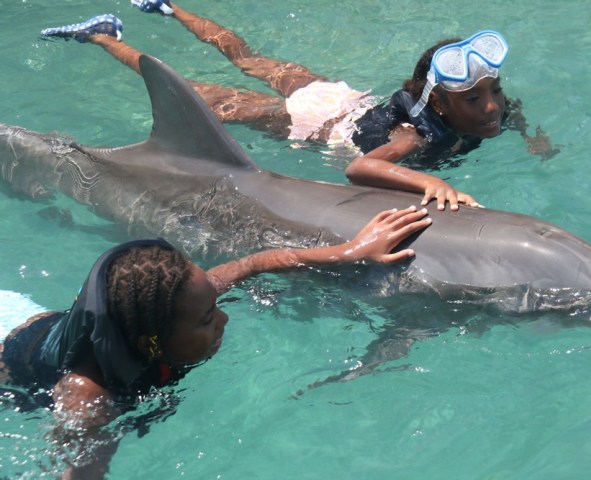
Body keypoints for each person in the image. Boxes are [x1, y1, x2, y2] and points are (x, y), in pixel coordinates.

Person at [0, 206, 431, 478]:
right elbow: (78, 471)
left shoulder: (178, 303)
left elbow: (256, 262)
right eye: (208, 318)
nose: (223, 318)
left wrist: (352, 250)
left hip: (36, 321)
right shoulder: (89, 399)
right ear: (153, 343)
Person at [40, 1, 561, 212]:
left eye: (492, 92)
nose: (492, 107)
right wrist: (430, 181)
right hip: (317, 123)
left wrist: (529, 133)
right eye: (475, 99)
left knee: (249, 58)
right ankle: (106, 37)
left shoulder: (482, 108)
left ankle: (166, 6)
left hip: (344, 99)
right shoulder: (415, 135)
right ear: (442, 107)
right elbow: (362, 167)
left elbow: (509, 111)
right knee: (200, 94)